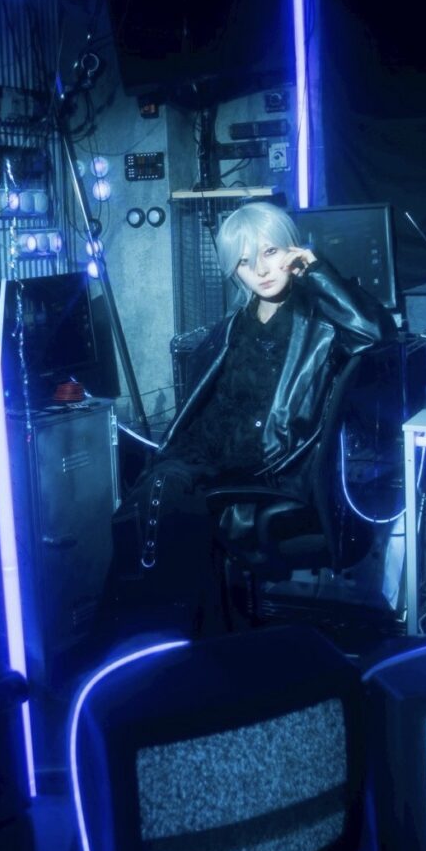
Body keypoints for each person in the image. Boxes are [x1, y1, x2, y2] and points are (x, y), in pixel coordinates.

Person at [101, 199, 391, 643]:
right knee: (148, 498)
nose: (260, 270)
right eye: (244, 261)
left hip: (268, 466)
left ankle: (151, 642)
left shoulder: (321, 320)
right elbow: (210, 411)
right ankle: (166, 639)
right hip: (213, 455)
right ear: (233, 271)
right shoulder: (232, 327)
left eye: (270, 252)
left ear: (293, 250)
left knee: (162, 501)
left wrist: (316, 270)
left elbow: (375, 335)